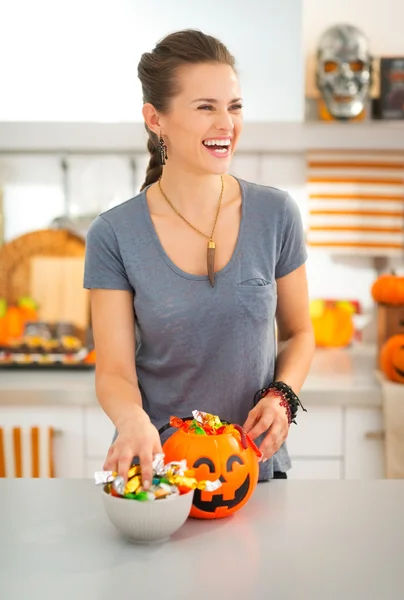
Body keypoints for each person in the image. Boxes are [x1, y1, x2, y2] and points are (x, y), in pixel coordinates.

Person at [84, 29, 315, 489]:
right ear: (156, 119)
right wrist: (131, 419)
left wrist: (282, 395)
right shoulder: (114, 235)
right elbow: (113, 371)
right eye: (205, 107)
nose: (226, 124)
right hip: (158, 475)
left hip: (253, 470)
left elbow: (300, 333)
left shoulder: (276, 214)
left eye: (233, 106)